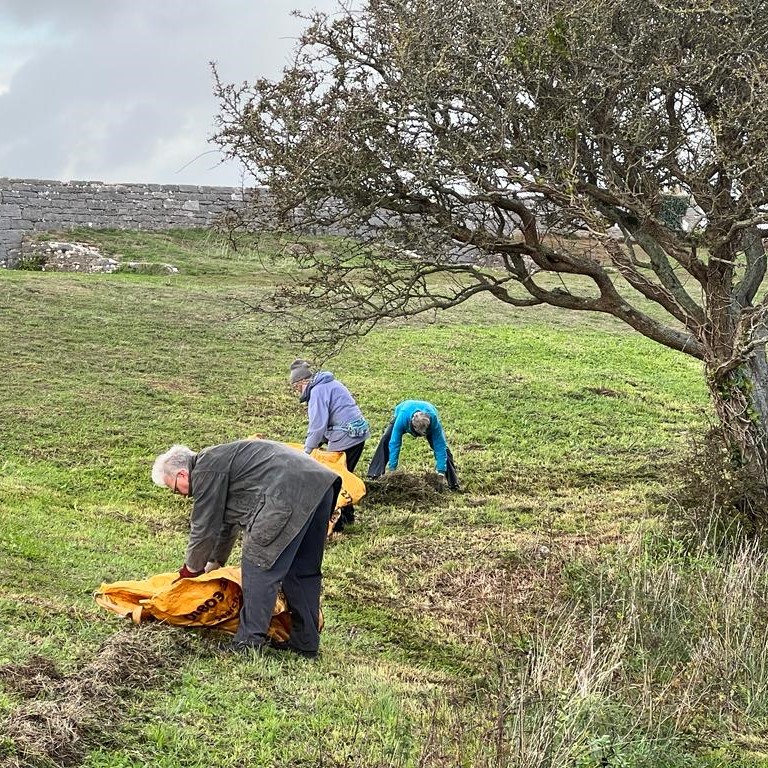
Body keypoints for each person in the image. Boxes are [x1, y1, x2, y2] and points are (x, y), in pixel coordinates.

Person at [152, 438, 341, 658]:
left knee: (258, 568)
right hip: (319, 487)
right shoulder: (221, 462)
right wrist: (215, 564)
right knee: (302, 571)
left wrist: (190, 572)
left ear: (182, 475)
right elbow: (224, 524)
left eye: (175, 489)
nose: (182, 495)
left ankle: (249, 643)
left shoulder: (205, 468)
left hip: (285, 494)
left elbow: (203, 528)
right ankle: (305, 643)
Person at [289, 359, 370, 530]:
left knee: (335, 478)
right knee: (343, 475)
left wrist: (307, 451)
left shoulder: (317, 391)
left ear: (303, 382)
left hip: (346, 437)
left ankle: (339, 521)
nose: (296, 391)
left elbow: (317, 425)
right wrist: (321, 442)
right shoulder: (329, 383)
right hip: (357, 434)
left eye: (295, 387)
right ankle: (347, 518)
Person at [367, 400, 459, 490]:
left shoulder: (433, 421)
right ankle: (374, 474)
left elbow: (440, 447)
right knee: (386, 439)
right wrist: (392, 470)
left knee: (443, 449)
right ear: (413, 426)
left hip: (428, 413)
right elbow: (394, 444)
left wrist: (441, 473)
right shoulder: (402, 419)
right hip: (404, 410)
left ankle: (453, 482)